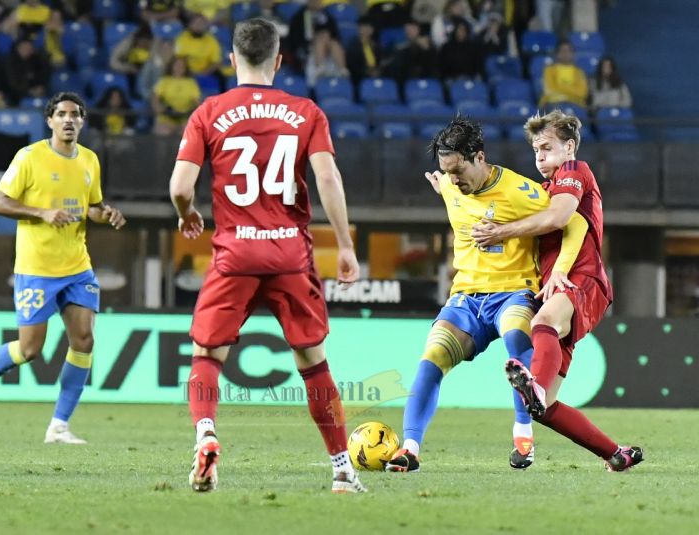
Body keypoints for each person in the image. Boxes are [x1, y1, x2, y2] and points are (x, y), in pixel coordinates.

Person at [169, 18, 366, 494]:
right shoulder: (306, 112)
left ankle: (206, 434)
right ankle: (342, 469)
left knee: (207, 354)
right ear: (278, 61)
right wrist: (344, 243)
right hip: (290, 256)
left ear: (231, 59)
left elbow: (179, 187)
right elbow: (328, 179)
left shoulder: (209, 112)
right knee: (314, 364)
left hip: (234, 254)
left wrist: (187, 213)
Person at [385, 116, 589, 473]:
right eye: (446, 172)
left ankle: (523, 436)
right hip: (466, 296)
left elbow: (575, 222)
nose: (452, 180)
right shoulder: (450, 186)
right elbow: (451, 188)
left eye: (458, 170)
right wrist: (446, 184)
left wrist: (559, 270)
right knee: (432, 356)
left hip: (514, 292)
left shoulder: (521, 191)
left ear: (479, 157)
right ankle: (410, 449)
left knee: (517, 338)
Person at [470, 110, 645, 471]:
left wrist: (500, 232)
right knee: (545, 406)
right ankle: (616, 455)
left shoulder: (574, 170)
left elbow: (562, 218)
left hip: (582, 277)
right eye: (536, 149)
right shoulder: (545, 191)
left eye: (547, 147)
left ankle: (533, 385)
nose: (540, 156)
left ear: (569, 147)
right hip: (557, 286)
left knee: (543, 323)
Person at [0, 92, 126, 445]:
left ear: (82, 121)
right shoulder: (29, 157)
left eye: (75, 114)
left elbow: (91, 206)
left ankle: (59, 426)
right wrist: (41, 212)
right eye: (61, 114)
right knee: (30, 350)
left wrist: (105, 213)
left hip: (77, 266)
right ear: (49, 121)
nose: (68, 120)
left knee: (84, 339)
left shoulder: (90, 160)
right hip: (37, 267)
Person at [539, 41, 589, 108]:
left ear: (573, 54)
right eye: (563, 51)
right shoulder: (549, 70)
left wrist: (561, 87)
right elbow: (549, 91)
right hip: (553, 104)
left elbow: (582, 93)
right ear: (557, 54)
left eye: (569, 51)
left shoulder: (579, 72)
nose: (566, 53)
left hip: (575, 105)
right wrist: (571, 91)